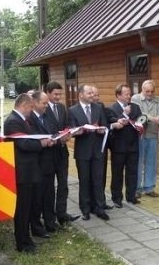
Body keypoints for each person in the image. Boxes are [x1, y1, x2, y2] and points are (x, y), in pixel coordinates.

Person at [3, 93, 54, 253]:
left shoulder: (22, 120)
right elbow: (24, 144)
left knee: (30, 206)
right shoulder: (13, 121)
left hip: (30, 170)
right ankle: (22, 242)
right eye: (31, 107)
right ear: (24, 106)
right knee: (22, 209)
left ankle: (28, 237)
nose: (32, 111)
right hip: (23, 172)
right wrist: (42, 144)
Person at [68, 84, 110, 221]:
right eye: (89, 93)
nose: (92, 95)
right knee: (84, 181)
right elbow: (71, 130)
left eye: (92, 93)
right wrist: (79, 131)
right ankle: (85, 209)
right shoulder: (72, 110)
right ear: (81, 95)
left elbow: (105, 125)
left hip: (97, 150)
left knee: (98, 180)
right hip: (83, 152)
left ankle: (99, 208)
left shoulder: (98, 107)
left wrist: (102, 129)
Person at [43, 81, 80, 226]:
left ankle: (62, 214)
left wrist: (69, 133)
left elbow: (67, 125)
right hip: (48, 154)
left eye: (60, 94)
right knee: (49, 188)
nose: (58, 97)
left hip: (62, 153)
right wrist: (58, 138)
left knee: (63, 185)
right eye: (55, 94)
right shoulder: (43, 109)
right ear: (47, 93)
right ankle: (49, 219)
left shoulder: (62, 107)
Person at [107, 84, 143, 207]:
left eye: (129, 93)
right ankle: (117, 198)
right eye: (126, 94)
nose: (129, 96)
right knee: (117, 173)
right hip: (118, 147)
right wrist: (124, 114)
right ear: (118, 95)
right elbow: (113, 122)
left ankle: (131, 196)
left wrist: (141, 125)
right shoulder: (111, 108)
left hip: (133, 145)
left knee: (132, 172)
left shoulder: (135, 107)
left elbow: (142, 120)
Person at [28, 90, 57, 237]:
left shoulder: (47, 115)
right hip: (37, 163)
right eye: (44, 103)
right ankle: (36, 227)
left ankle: (50, 223)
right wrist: (44, 142)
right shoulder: (29, 119)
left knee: (49, 194)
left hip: (49, 162)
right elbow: (30, 139)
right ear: (34, 103)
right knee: (37, 197)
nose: (47, 106)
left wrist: (57, 137)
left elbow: (54, 130)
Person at [131, 79, 159, 198]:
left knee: (152, 161)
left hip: (152, 133)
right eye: (147, 91)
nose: (150, 94)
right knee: (138, 162)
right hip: (139, 135)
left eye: (152, 91)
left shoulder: (158, 100)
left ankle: (149, 187)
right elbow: (139, 113)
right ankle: (137, 188)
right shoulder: (135, 98)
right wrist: (153, 118)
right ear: (142, 89)